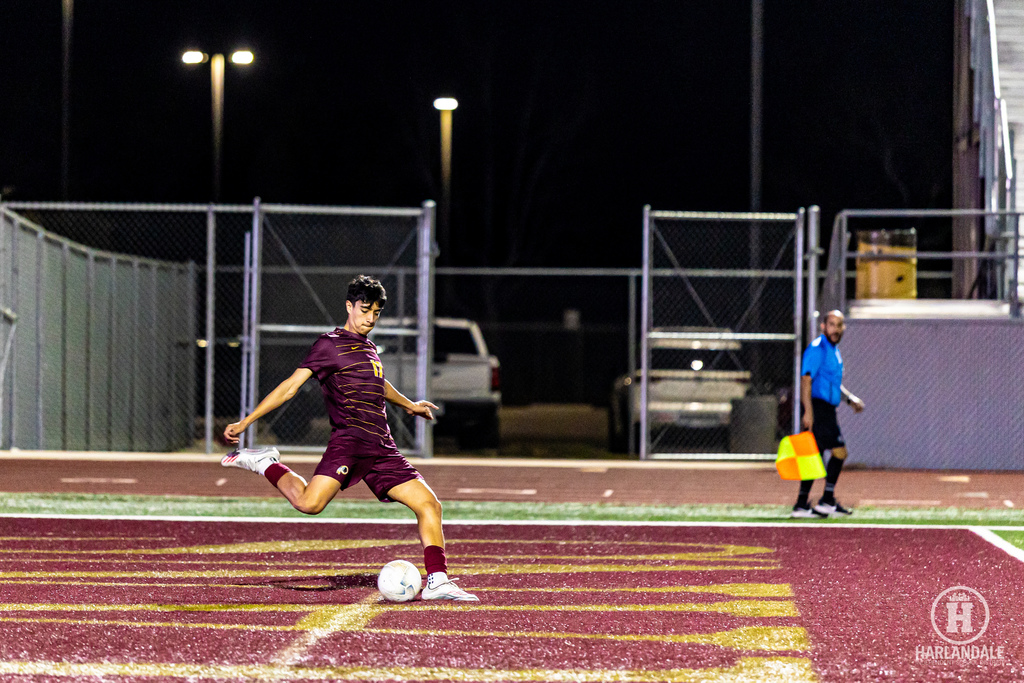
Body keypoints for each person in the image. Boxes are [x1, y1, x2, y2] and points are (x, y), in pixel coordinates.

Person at [221, 275, 478, 601]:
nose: (370, 318)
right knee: (308, 504)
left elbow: (378, 385)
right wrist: (247, 421)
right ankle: (265, 463)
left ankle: (437, 580)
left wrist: (410, 405)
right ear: (349, 306)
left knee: (429, 505)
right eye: (365, 309)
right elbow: (289, 387)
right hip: (349, 443)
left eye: (376, 312)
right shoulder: (328, 344)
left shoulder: (369, 347)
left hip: (382, 447)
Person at [790, 310, 865, 518]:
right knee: (840, 452)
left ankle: (802, 504)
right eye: (831, 324)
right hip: (819, 408)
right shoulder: (818, 348)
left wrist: (850, 399)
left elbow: (833, 384)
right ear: (823, 327)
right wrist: (808, 411)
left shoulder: (834, 350)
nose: (835, 329)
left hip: (827, 408)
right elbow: (806, 380)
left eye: (839, 325)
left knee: (815, 456)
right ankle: (826, 500)